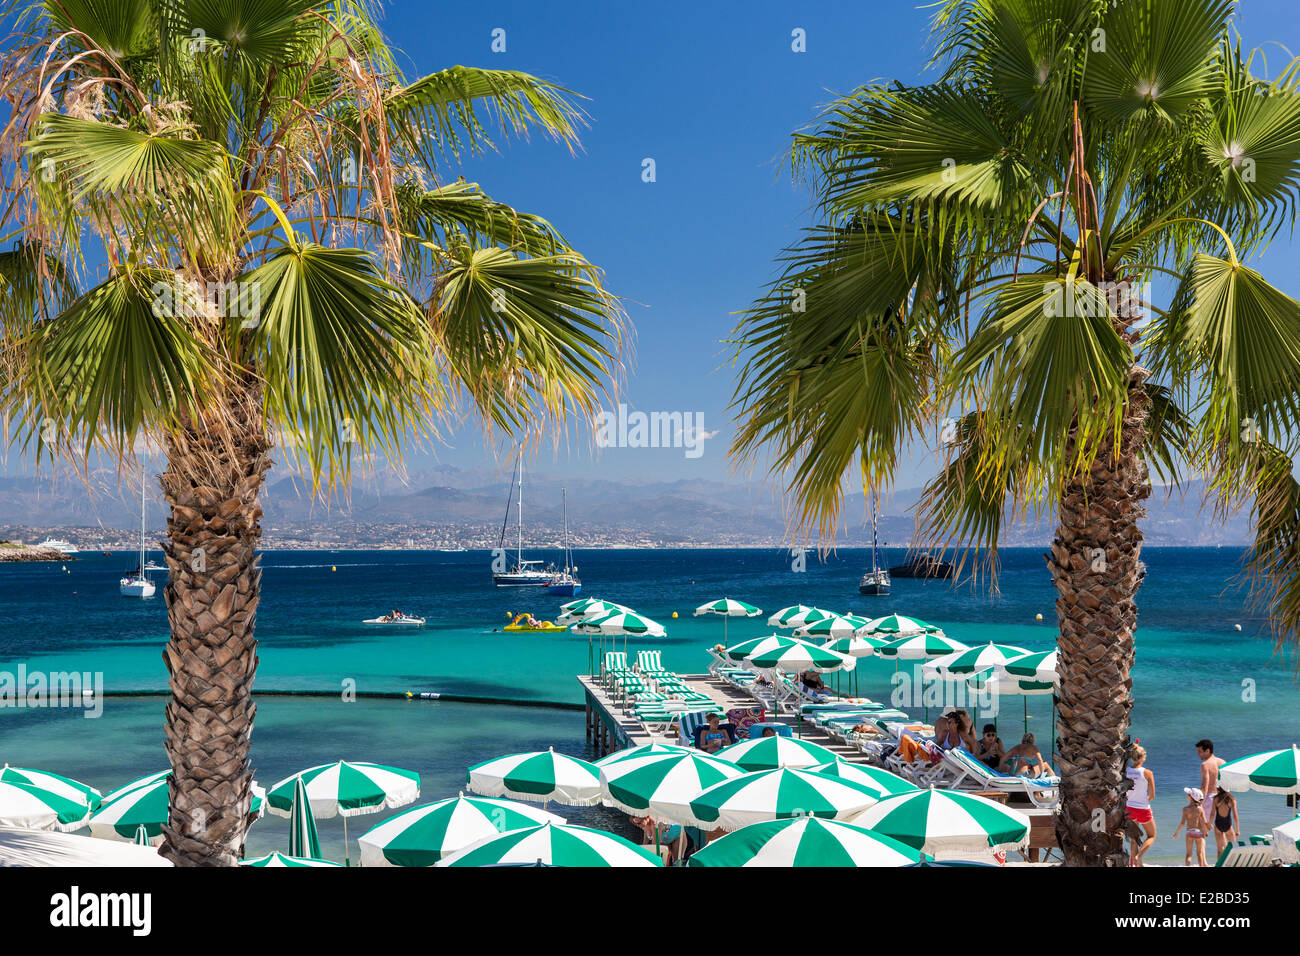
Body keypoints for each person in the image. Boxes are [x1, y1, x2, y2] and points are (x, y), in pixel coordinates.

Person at [1125, 745, 1157, 867]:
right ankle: (1139, 856)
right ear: (1142, 757)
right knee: (1152, 835)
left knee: (1134, 838)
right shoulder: (1148, 773)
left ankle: (1134, 864)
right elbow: (1152, 795)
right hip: (1143, 808)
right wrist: (1146, 800)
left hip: (1129, 808)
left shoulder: (1126, 771)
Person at [1173, 787, 1210, 867]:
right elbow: (1204, 822)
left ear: (1192, 797)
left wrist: (1176, 833)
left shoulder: (1185, 809)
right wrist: (1207, 829)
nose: (1187, 795)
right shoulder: (1200, 809)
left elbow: (1182, 823)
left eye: (1188, 794)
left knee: (1189, 853)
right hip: (1199, 832)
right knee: (1199, 853)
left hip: (1189, 832)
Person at [1197, 739, 1225, 828]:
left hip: (1209, 798)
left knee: (1199, 827)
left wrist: (1200, 802)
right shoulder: (1223, 762)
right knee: (1221, 829)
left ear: (1207, 751)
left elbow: (1205, 785)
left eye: (1200, 752)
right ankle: (1230, 842)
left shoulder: (1205, 765)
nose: (1198, 754)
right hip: (1222, 797)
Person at [1211, 789, 1241, 855]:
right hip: (1228, 825)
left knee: (1220, 849)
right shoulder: (1231, 800)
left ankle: (1219, 864)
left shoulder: (1215, 798)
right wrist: (1237, 830)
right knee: (1234, 848)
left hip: (1218, 825)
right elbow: (1235, 816)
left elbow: (1212, 813)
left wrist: (1209, 823)